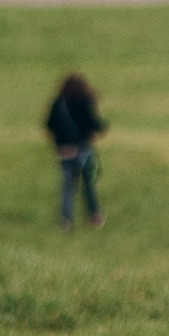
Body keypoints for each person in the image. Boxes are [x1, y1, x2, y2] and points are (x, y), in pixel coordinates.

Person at [45, 72, 106, 224]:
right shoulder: (83, 101)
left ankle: (65, 220)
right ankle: (93, 216)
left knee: (67, 187)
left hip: (64, 151)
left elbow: (49, 125)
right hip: (82, 150)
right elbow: (91, 123)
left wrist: (59, 141)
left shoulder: (58, 103)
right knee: (88, 185)